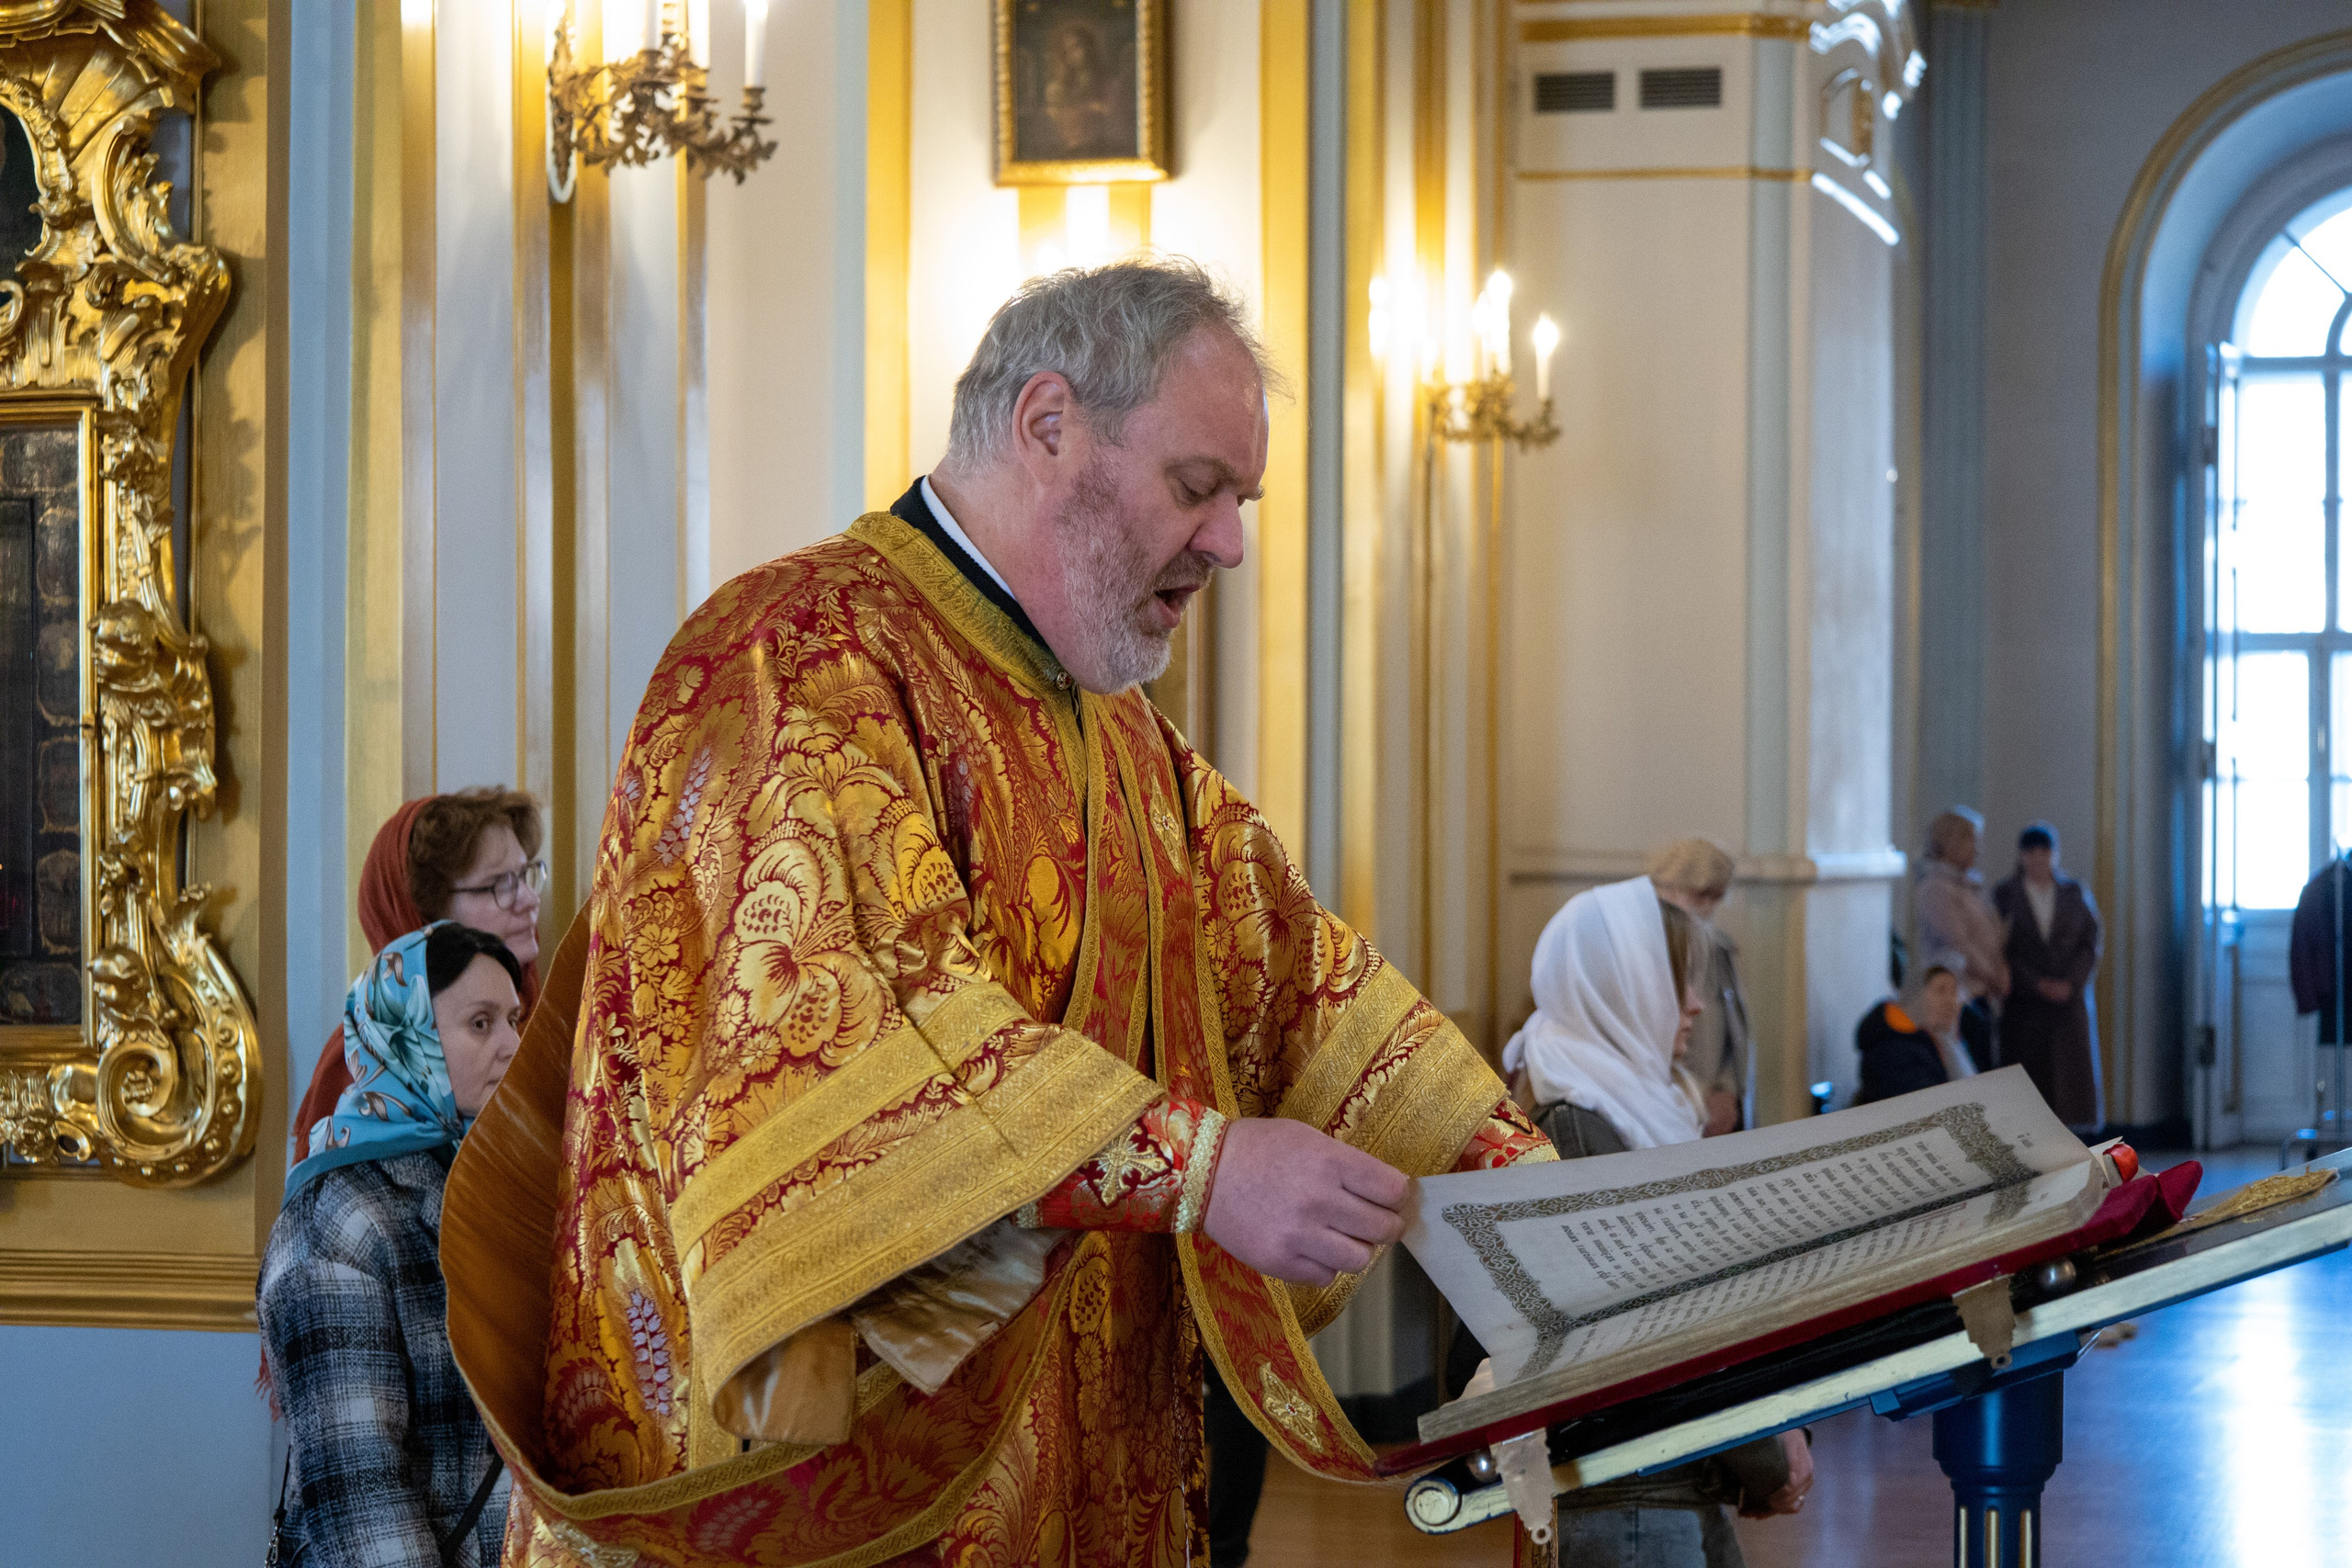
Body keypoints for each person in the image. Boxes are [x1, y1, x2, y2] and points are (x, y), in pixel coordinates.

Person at [440, 257, 1556, 1566]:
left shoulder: (1121, 735)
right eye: (1197, 487)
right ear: (1047, 425)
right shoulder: (794, 657)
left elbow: (1304, 983)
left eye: (1240, 502)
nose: (1230, 544)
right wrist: (1201, 1168)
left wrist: (1550, 1213)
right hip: (830, 1488)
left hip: (1078, 1467)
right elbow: (856, 1042)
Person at [1473, 877, 1810, 1565]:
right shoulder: (1579, 1130)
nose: (1695, 1004)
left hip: (1663, 1482)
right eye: (1675, 981)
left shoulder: (1623, 1110)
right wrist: (1767, 1454)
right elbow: (1661, 1329)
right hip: (1627, 1498)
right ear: (1619, 987)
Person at [258, 923, 526, 1568]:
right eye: (481, 1024)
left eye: (515, 1020)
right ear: (407, 1037)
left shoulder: (495, 1182)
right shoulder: (338, 1215)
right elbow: (359, 1494)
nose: (514, 1045)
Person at [288, 789, 548, 1167]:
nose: (530, 900)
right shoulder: (367, 1061)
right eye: (500, 885)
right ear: (424, 915)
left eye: (525, 875)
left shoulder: (555, 1020)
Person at [1991, 822, 2103, 1131]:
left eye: (2045, 852)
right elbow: (2002, 949)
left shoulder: (2073, 892)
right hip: (2026, 1004)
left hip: (2068, 1001)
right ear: (2022, 856)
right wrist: (2036, 983)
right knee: (2029, 1078)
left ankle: (2075, 1134)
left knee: (2070, 1079)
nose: (2039, 860)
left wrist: (2072, 983)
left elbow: (2090, 942)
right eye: (2032, 853)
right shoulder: (2006, 894)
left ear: (2055, 854)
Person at [1648, 837, 1753, 1134]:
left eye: (1715, 897)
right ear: (1671, 886)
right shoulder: (1650, 947)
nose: (1707, 907)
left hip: (1716, 1094)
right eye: (1700, 895)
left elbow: (1736, 1031)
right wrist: (1693, 1097)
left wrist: (1727, 1089)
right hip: (1673, 1098)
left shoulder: (1719, 948)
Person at [1915, 807, 2007, 1072]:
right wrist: (1992, 975)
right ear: (1951, 842)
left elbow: (1992, 934)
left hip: (1981, 995)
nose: (1978, 849)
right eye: (1972, 841)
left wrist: (2001, 967)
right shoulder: (1935, 888)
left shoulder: (1969, 885)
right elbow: (1959, 944)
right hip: (1960, 998)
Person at [1854, 958, 1975, 1104]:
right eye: (1941, 990)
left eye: (1954, 993)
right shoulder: (1892, 1051)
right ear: (1914, 996)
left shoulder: (1927, 1040)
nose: (1952, 1002)